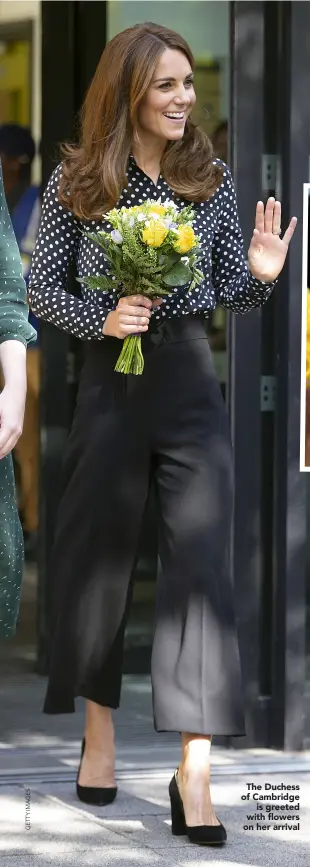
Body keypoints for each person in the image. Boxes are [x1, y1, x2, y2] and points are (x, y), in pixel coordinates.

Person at [28, 22, 296, 846]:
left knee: (201, 571)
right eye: (166, 85)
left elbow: (221, 291)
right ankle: (99, 738)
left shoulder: (206, 178)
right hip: (112, 382)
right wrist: (101, 316)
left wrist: (255, 279)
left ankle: (196, 771)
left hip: (185, 380)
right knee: (99, 559)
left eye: (188, 83)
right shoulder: (81, 178)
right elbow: (42, 292)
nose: (184, 99)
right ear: (130, 92)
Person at [0, 123, 41, 561]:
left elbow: (23, 279)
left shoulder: (33, 202)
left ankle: (32, 523)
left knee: (24, 438)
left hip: (30, 342)